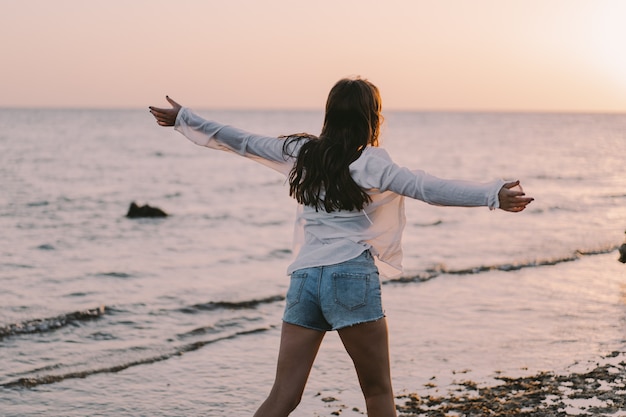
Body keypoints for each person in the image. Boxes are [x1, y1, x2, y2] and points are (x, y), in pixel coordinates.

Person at [149, 77, 533, 417]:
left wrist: (186, 118)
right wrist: (491, 194)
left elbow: (243, 139)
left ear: (330, 115)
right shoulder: (371, 162)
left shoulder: (302, 152)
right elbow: (425, 187)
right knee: (378, 393)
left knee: (283, 396)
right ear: (372, 117)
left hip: (304, 280)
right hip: (350, 276)